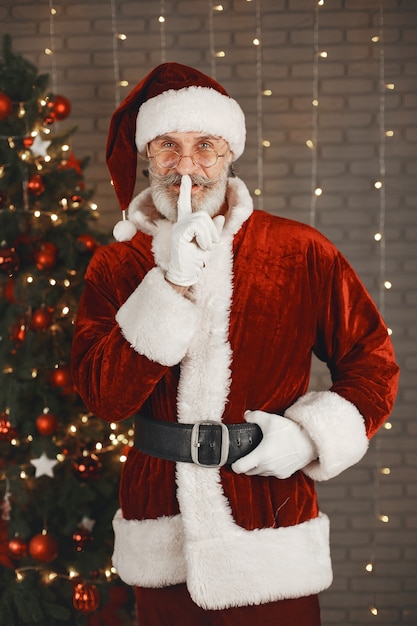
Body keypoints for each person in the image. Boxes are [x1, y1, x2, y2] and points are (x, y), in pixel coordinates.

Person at [71, 63, 399, 626]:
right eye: (167, 147)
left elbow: (373, 364)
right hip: (160, 525)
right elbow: (104, 397)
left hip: (271, 523)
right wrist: (169, 283)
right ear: (147, 156)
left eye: (206, 147)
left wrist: (307, 439)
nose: (186, 168)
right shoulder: (115, 264)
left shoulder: (298, 250)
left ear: (229, 155)